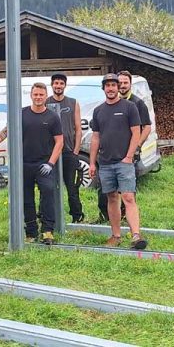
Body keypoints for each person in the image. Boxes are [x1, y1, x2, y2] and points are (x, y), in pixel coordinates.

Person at [0, 82, 63, 244]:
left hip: (44, 164)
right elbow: (4, 133)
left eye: (41, 95)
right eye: (35, 94)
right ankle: (31, 232)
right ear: (31, 95)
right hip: (24, 165)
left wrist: (50, 163)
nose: (38, 97)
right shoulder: (21, 114)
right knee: (27, 199)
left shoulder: (52, 117)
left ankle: (48, 231)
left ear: (45, 96)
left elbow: (59, 142)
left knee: (48, 194)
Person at [89, 73, 147, 250]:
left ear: (117, 87)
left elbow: (136, 132)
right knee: (112, 198)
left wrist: (129, 156)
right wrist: (92, 162)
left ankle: (136, 235)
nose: (111, 88)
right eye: (107, 85)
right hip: (105, 163)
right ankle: (116, 235)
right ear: (104, 88)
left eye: (114, 85)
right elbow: (96, 138)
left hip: (124, 162)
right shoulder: (98, 111)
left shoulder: (129, 107)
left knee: (128, 197)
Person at [97, 70, 152, 223]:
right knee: (107, 191)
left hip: (129, 155)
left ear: (129, 84)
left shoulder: (137, 103)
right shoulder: (106, 106)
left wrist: (136, 146)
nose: (121, 86)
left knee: (127, 191)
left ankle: (129, 220)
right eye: (119, 83)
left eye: (124, 83)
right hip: (109, 157)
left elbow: (146, 127)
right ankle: (107, 217)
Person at [45, 73, 85, 223]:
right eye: (56, 83)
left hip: (68, 152)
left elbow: (78, 129)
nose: (58, 86)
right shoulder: (46, 102)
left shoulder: (73, 103)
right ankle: (48, 216)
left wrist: (75, 151)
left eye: (61, 83)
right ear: (52, 85)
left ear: (65, 85)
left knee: (72, 188)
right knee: (49, 187)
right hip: (50, 153)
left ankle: (77, 216)